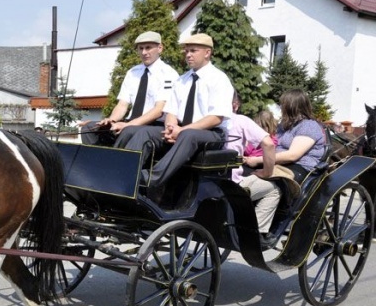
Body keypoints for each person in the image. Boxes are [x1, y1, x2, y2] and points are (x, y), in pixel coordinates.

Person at [115, 33, 234, 190]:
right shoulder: (182, 80)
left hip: (211, 134)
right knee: (143, 132)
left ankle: (151, 178)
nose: (188, 55)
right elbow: (171, 111)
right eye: (186, 51)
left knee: (188, 135)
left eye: (193, 51)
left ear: (207, 53)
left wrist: (181, 130)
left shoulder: (219, 79)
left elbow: (216, 118)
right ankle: (121, 172)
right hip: (182, 129)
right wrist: (170, 128)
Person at [238, 88, 327, 230]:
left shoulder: (309, 126)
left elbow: (292, 155)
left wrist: (258, 159)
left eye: (283, 105)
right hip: (277, 165)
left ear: (292, 106)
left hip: (298, 168)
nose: (281, 108)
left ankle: (256, 229)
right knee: (244, 173)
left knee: (267, 187)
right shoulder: (284, 125)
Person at [77, 31, 177, 145]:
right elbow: (122, 105)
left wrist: (128, 125)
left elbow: (158, 110)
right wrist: (111, 120)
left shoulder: (168, 74)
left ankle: (116, 157)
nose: (144, 52)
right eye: (140, 48)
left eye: (148, 48)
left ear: (160, 48)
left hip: (153, 125)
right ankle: (96, 157)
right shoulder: (133, 72)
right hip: (130, 123)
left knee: (127, 131)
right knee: (89, 128)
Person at [224, 93, 279, 243]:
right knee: (274, 189)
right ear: (235, 105)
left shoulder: (201, 119)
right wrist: (267, 172)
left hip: (201, 181)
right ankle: (257, 232)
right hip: (228, 184)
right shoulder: (240, 120)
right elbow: (268, 144)